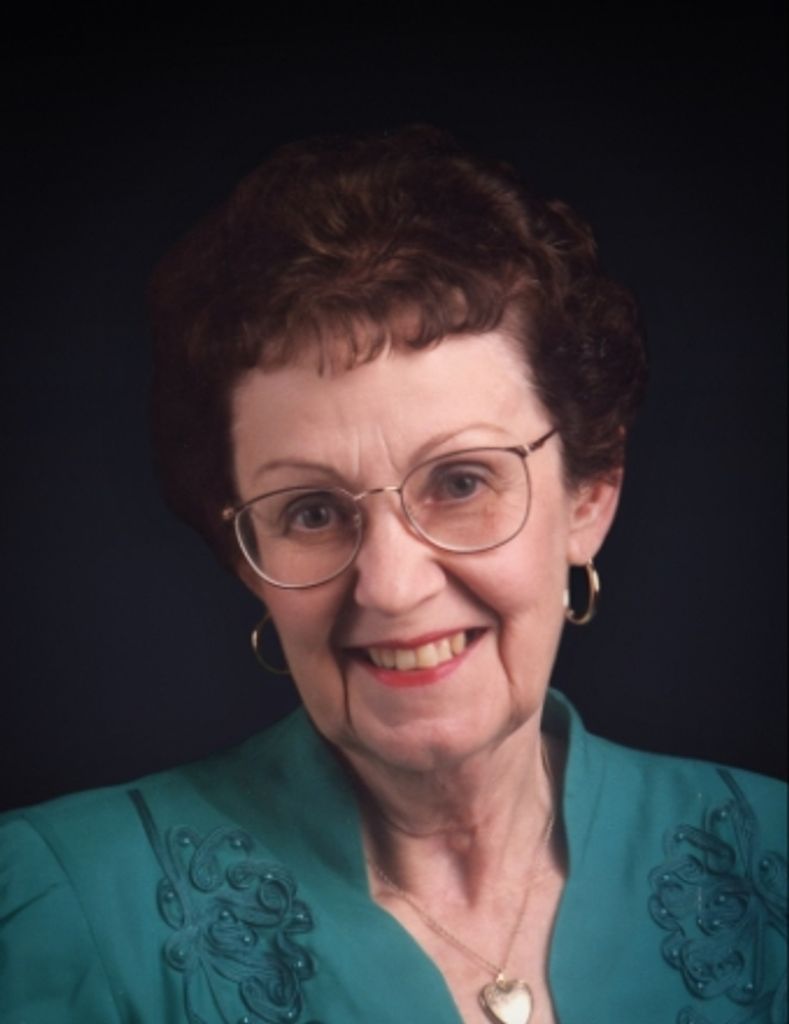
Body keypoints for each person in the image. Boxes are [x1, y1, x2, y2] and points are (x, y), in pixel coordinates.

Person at [0, 126, 785, 1024]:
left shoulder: (775, 860)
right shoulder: (59, 913)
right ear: (247, 558)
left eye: (460, 483)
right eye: (311, 511)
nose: (390, 586)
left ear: (589, 496)